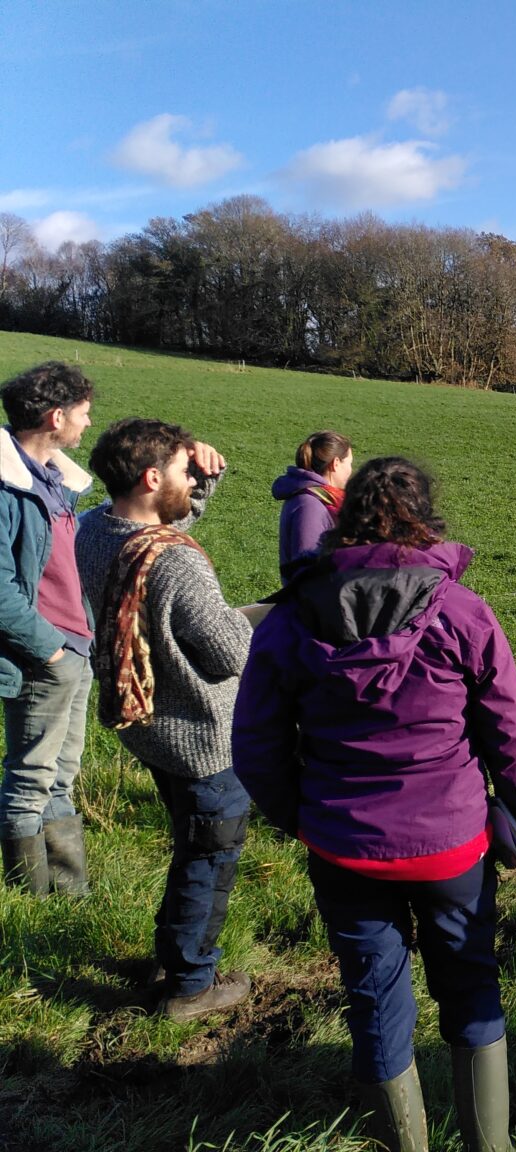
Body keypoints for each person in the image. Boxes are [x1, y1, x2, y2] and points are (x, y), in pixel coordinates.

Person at [233, 457, 516, 1152]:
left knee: (373, 1001)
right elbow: (510, 729)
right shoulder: (463, 612)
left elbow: (254, 744)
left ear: (342, 518)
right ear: (426, 520)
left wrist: (302, 817)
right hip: (453, 845)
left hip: (342, 845)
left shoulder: (289, 619)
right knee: (471, 984)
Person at [75, 418, 254, 1020]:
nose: (192, 480)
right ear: (153, 478)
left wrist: (202, 480)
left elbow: (158, 536)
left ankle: (169, 957)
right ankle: (191, 985)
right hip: (204, 741)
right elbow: (230, 654)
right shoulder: (176, 565)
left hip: (151, 730)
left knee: (189, 846)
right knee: (209, 859)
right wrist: (252, 620)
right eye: (183, 472)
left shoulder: (95, 530)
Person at [0, 363, 96, 898]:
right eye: (83, 413)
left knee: (61, 775)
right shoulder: (5, 486)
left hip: (73, 648)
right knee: (30, 777)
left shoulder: (54, 479)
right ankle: (29, 900)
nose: (88, 423)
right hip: (44, 653)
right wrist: (50, 651)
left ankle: (67, 893)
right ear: (56, 417)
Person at [273, 430, 353, 581]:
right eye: (349, 464)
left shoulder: (322, 498)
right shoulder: (309, 506)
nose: (351, 470)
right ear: (336, 464)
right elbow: (306, 572)